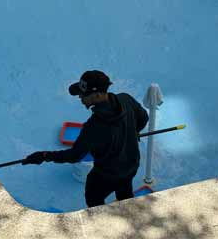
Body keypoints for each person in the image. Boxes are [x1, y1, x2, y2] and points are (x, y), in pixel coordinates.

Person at [22, 70, 149, 207]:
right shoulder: (126, 99)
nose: (80, 98)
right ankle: (127, 208)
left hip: (106, 175)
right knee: (125, 190)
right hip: (131, 164)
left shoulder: (94, 126)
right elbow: (143, 118)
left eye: (83, 95)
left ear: (98, 95)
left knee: (93, 198)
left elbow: (74, 155)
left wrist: (44, 155)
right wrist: (131, 133)